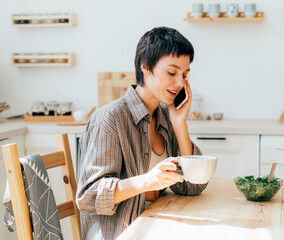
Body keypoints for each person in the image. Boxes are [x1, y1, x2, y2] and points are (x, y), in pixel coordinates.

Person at [76, 26, 208, 240]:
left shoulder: (166, 116)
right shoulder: (110, 119)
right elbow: (89, 196)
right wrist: (147, 181)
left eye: (184, 75)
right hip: (123, 234)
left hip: (158, 227)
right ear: (145, 67)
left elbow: (194, 186)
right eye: (172, 72)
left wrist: (180, 125)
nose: (180, 83)